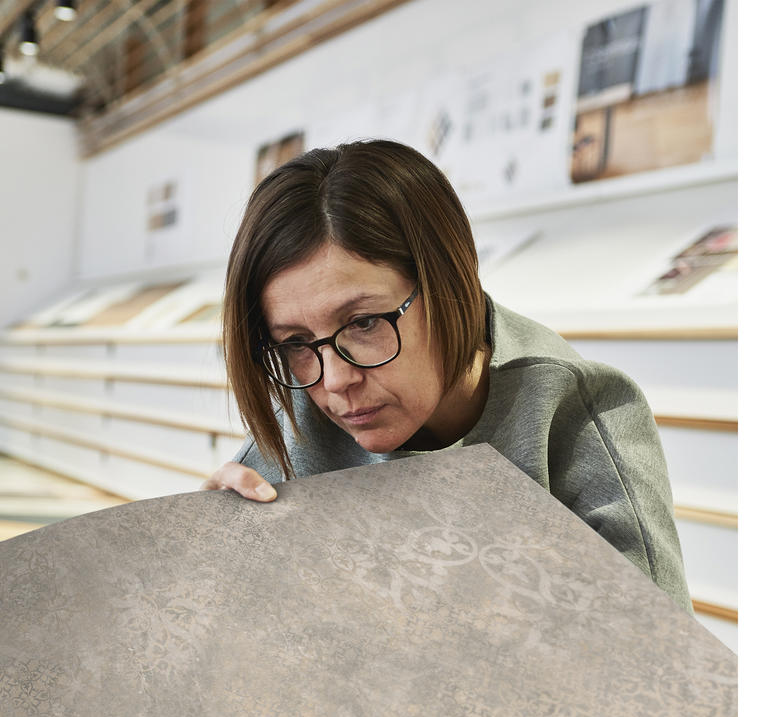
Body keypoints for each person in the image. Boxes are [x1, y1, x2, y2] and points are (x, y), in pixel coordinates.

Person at [203, 139, 690, 612]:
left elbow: (662, 664)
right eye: (293, 343)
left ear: (447, 284)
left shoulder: (578, 415)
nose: (333, 381)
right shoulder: (303, 414)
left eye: (364, 323)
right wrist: (206, 551)